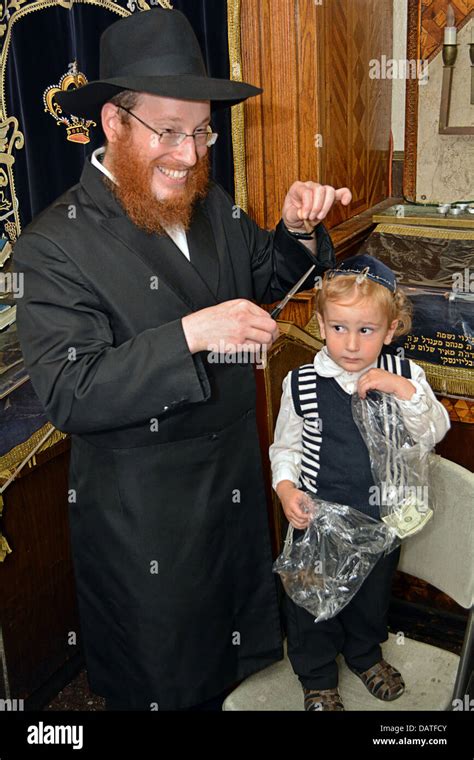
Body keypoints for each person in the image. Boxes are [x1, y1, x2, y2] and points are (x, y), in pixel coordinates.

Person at [13, 9, 352, 711]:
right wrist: (192, 333)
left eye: (201, 131)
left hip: (230, 488)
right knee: (166, 682)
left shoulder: (210, 203)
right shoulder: (54, 246)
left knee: (240, 671)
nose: (190, 154)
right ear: (112, 122)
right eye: (169, 131)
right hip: (146, 523)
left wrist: (292, 233)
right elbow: (72, 391)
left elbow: (265, 283)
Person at [269, 254, 450, 711]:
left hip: (380, 518)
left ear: (390, 330)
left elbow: (434, 430)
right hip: (318, 520)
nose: (350, 343)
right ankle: (317, 676)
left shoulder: (406, 376)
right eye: (338, 328)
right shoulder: (302, 382)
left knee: (370, 601)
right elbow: (285, 448)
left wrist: (401, 389)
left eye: (366, 330)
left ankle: (365, 655)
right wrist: (287, 489)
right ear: (322, 323)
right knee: (311, 603)